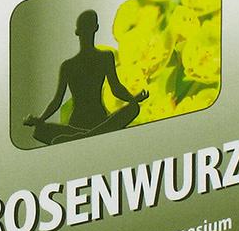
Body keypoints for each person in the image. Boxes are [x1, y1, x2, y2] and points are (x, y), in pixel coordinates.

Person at [24, 10, 148, 145]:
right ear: (96, 28)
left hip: (91, 123)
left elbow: (57, 101)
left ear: (77, 31)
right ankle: (91, 135)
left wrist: (40, 119)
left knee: (134, 108)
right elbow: (116, 88)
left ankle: (83, 137)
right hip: (96, 124)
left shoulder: (79, 63)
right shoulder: (99, 59)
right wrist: (133, 99)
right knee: (39, 131)